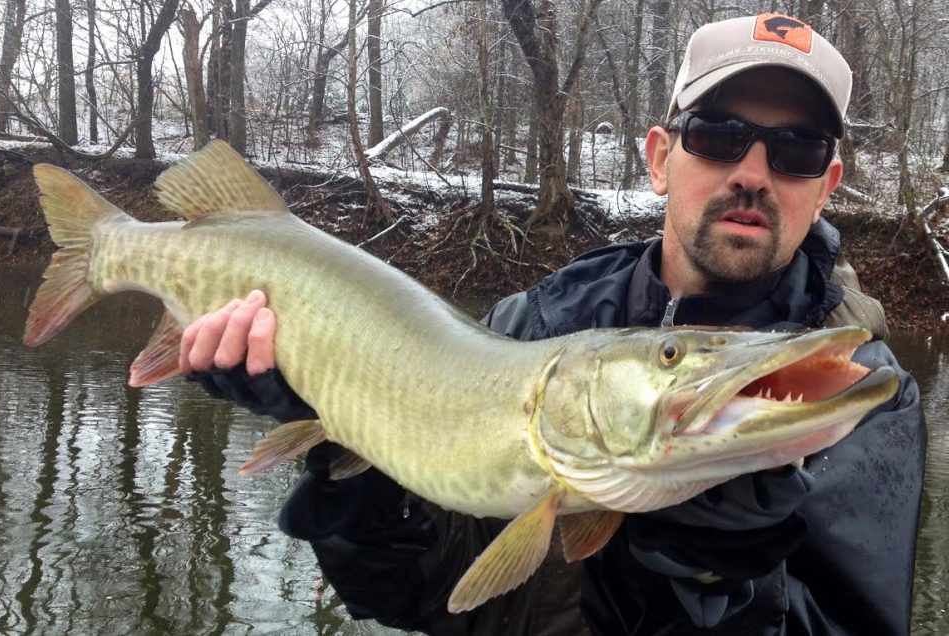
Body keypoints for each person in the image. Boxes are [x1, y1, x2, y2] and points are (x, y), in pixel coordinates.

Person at [179, 13, 926, 635]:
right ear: (661, 158)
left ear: (826, 187)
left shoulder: (858, 394)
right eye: (719, 134)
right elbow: (416, 599)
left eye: (797, 150)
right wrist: (346, 443)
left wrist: (716, 569)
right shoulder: (538, 323)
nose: (753, 174)